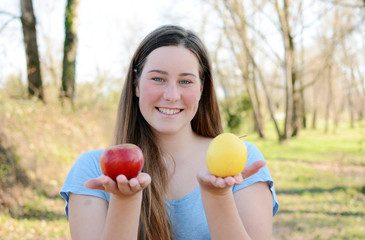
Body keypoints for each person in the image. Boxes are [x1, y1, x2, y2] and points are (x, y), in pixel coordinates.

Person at [60, 25, 279, 240]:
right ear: (136, 84)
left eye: (186, 81)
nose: (172, 95)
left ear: (202, 89)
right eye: (158, 79)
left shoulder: (241, 163)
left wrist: (218, 195)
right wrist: (124, 201)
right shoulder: (94, 171)